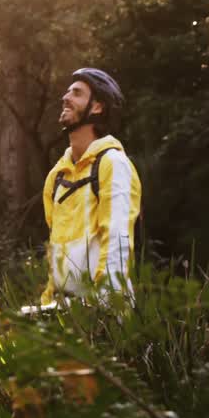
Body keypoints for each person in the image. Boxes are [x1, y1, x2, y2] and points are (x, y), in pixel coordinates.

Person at [40, 68, 141, 305]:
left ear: (97, 107)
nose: (65, 97)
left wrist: (105, 305)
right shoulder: (57, 175)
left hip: (103, 310)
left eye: (76, 93)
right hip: (63, 313)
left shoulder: (113, 163)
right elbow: (56, 250)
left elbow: (117, 241)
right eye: (67, 92)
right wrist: (47, 304)